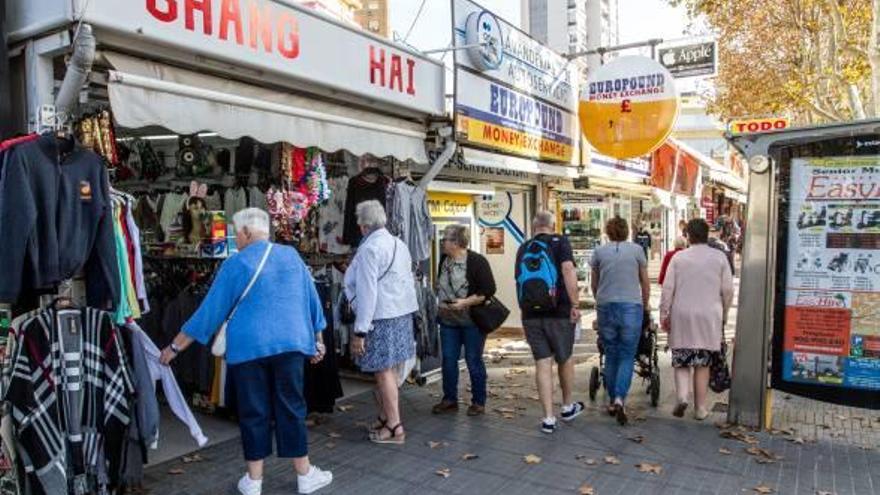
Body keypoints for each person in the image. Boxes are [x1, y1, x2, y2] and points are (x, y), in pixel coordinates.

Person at [159, 208, 332, 495]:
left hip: (248, 349)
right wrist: (319, 340)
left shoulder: (235, 264)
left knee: (254, 412)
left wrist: (175, 347)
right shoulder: (291, 256)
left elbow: (209, 313)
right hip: (290, 346)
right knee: (291, 408)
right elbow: (312, 301)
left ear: (247, 233)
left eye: (235, 233)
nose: (234, 238)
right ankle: (305, 475)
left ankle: (254, 481)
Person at [345, 200, 418, 444]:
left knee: (384, 372)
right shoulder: (399, 244)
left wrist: (360, 330)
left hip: (381, 317)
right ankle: (386, 416)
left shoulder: (369, 249)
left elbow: (367, 292)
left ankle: (395, 425)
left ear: (363, 225)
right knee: (389, 371)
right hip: (401, 314)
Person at [515, 211, 584, 434]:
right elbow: (567, 269)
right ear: (552, 225)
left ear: (534, 226)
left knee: (542, 363)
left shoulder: (523, 247)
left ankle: (547, 418)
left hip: (530, 315)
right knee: (565, 358)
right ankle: (566, 406)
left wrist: (523, 312)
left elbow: (519, 280)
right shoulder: (560, 242)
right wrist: (575, 303)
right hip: (559, 312)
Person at [660, 218, 734, 421]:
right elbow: (728, 290)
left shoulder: (678, 258)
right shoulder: (719, 258)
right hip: (709, 315)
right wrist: (724, 312)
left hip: (682, 314)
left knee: (682, 359)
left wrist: (664, 314)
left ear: (688, 236)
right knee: (703, 363)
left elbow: (667, 289)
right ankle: (700, 408)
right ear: (707, 235)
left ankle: (682, 397)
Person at [590, 217, 650, 426]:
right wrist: (645, 304)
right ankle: (618, 398)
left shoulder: (599, 252)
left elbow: (594, 284)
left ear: (607, 232)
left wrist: (601, 300)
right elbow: (645, 282)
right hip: (631, 308)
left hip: (606, 307)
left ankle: (612, 398)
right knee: (627, 354)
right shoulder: (637, 251)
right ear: (627, 232)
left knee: (611, 353)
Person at [432, 224, 497, 416]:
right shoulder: (444, 260)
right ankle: (449, 399)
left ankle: (478, 401)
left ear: (457, 243)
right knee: (449, 359)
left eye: (446, 239)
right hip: (448, 320)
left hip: (472, 321)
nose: (442, 242)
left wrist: (465, 302)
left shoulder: (477, 262)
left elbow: (488, 291)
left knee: (473, 359)